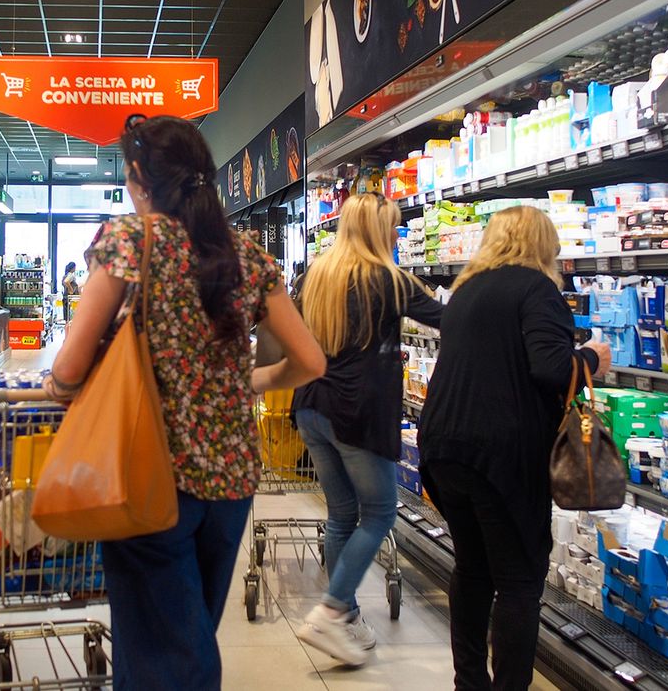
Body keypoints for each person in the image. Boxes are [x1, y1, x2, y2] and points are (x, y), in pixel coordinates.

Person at [46, 114, 325, 691]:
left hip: (151, 471)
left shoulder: (130, 241)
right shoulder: (247, 257)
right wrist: (248, 381)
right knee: (183, 632)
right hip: (230, 479)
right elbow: (310, 363)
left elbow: (69, 366)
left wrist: (60, 390)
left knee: (170, 654)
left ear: (140, 176)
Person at [418, 206, 611, 691]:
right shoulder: (537, 289)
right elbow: (549, 368)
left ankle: (469, 683)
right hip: (501, 456)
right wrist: (591, 358)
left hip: (444, 447)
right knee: (519, 582)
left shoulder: (465, 291)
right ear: (544, 245)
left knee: (473, 568)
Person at [290, 193, 444, 665]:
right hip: (355, 414)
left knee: (341, 514)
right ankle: (332, 611)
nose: (397, 235)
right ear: (379, 232)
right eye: (394, 228)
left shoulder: (317, 274)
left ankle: (347, 616)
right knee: (379, 514)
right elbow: (447, 318)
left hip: (311, 405)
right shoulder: (389, 279)